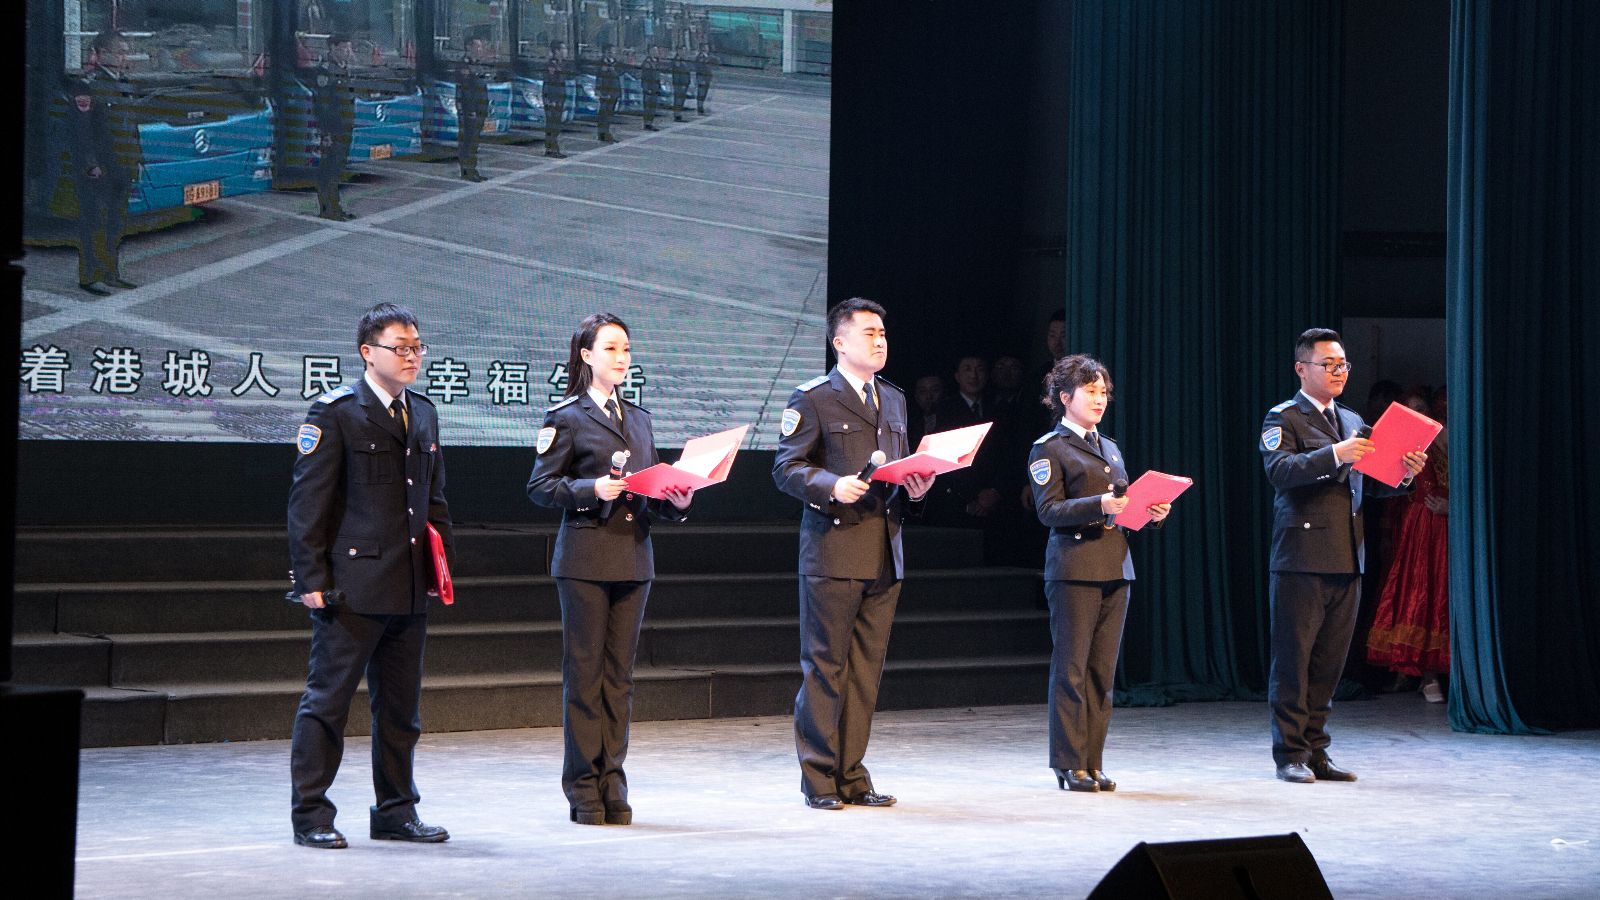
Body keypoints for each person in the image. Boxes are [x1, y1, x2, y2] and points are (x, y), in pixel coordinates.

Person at [287, 302, 454, 849]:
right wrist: (310, 578)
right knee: (327, 704)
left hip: (409, 582)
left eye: (417, 347)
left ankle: (396, 811)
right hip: (352, 585)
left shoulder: (422, 412)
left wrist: (440, 569)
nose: (412, 357)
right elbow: (308, 503)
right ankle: (311, 814)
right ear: (367, 352)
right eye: (399, 348)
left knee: (401, 710)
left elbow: (433, 500)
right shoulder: (335, 412)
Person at [527, 313, 692, 826]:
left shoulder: (638, 418)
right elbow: (540, 487)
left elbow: (650, 489)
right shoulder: (567, 416)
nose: (622, 358)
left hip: (634, 557)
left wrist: (677, 499)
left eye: (626, 349)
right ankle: (583, 786)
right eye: (612, 349)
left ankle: (613, 781)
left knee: (619, 678)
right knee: (585, 676)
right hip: (585, 557)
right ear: (586, 355)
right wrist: (590, 489)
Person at [773, 298, 934, 810]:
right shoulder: (814, 398)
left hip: (884, 550)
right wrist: (831, 484)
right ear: (839, 342)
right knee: (826, 668)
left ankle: (851, 772)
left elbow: (898, 473)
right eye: (868, 333)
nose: (879, 341)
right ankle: (819, 777)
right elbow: (786, 468)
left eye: (882, 333)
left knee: (865, 672)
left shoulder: (894, 398)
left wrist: (918, 487)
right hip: (834, 549)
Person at [1260, 328, 1426, 784]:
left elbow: (1368, 483)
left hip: (1347, 555)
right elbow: (1280, 471)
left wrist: (1403, 473)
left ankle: (1317, 750)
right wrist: (1335, 453)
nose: (1339, 372)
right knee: (1293, 662)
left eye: (1343, 365)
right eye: (1329, 364)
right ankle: (1290, 753)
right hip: (1301, 557)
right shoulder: (1283, 417)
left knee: (1329, 663)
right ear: (1302, 368)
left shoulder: (1351, 419)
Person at [1028, 355, 1169, 792]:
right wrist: (1100, 505)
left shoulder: (1109, 446)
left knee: (1101, 672)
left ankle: (1093, 760)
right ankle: (1069, 763)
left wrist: (1150, 511)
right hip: (1074, 567)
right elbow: (1049, 511)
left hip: (1115, 565)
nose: (1099, 399)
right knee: (1071, 669)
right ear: (1064, 397)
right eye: (1090, 391)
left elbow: (1122, 507)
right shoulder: (1049, 447)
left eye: (1103, 391)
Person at [1366, 386, 1449, 703]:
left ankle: (1442, 673)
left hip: (1444, 522)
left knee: (1442, 595)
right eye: (1410, 409)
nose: (1417, 415)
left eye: (1421, 409)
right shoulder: (1401, 442)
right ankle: (1423, 675)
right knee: (1419, 594)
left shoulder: (1443, 438)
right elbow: (1385, 486)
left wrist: (1452, 506)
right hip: (1419, 525)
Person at [71, 31, 143, 294]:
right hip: (101, 169)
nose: (124, 57)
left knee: (116, 224)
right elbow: (81, 132)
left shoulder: (124, 84)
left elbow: (131, 127)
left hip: (123, 166)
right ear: (101, 54)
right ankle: (90, 276)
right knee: (95, 223)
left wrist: (138, 159)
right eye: (119, 52)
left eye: (126, 52)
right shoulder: (88, 87)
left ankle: (111, 272)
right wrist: (91, 164)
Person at [310, 34, 357, 220]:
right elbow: (322, 106)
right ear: (333, 48)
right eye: (344, 48)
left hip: (345, 128)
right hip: (332, 131)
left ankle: (336, 207)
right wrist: (326, 133)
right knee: (328, 170)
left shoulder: (343, 69)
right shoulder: (325, 71)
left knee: (338, 169)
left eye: (349, 48)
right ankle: (328, 209)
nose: (348, 52)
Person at [454, 37, 491, 182]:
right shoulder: (464, 65)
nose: (480, 49)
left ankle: (473, 169)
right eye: (477, 46)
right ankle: (466, 171)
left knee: (474, 142)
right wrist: (470, 110)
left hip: (480, 109)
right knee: (467, 141)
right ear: (469, 47)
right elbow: (465, 90)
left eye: (481, 47)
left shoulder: (477, 65)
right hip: (470, 111)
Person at [542, 42, 569, 158]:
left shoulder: (561, 64)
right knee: (552, 124)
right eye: (563, 49)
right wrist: (550, 99)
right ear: (557, 51)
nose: (566, 51)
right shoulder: (551, 65)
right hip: (553, 99)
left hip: (559, 98)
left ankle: (552, 148)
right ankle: (551, 149)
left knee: (556, 124)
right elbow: (549, 83)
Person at [594, 44, 622, 143]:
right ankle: (602, 134)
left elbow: (619, 74)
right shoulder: (600, 63)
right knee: (603, 114)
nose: (612, 53)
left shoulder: (616, 63)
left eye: (613, 51)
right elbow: (598, 77)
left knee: (610, 113)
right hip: (604, 91)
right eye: (609, 52)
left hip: (614, 91)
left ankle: (606, 132)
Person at [638, 45, 663, 131]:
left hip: (655, 87)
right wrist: (646, 88)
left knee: (653, 106)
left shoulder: (657, 62)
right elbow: (644, 77)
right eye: (654, 50)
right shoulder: (647, 63)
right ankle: (646, 123)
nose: (656, 52)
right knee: (648, 106)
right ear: (650, 51)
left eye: (656, 51)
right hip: (649, 87)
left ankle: (650, 122)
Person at [693, 44, 717, 115]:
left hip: (707, 78)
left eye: (707, 47)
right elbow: (699, 67)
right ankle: (700, 107)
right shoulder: (700, 57)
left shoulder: (707, 56)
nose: (707, 48)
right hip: (702, 78)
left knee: (704, 93)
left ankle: (701, 106)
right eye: (706, 47)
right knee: (701, 93)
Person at [670, 49, 691, 122]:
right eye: (682, 51)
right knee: (678, 100)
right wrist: (680, 84)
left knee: (681, 100)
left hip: (684, 84)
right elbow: (677, 74)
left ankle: (679, 114)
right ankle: (677, 115)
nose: (684, 52)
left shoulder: (683, 60)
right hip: (679, 84)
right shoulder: (677, 60)